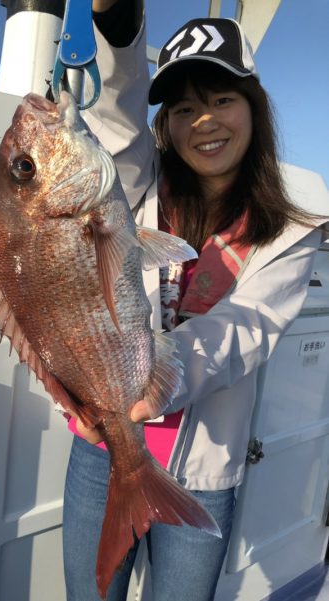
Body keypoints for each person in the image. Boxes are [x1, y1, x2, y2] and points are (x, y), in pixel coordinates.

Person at [61, 2, 328, 600]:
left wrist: (159, 374)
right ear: (165, 125)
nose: (203, 121)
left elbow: (246, 327)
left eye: (221, 99)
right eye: (183, 108)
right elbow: (120, 114)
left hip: (202, 475)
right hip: (100, 450)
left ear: (254, 106)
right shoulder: (133, 183)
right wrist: (118, 22)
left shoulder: (292, 223)